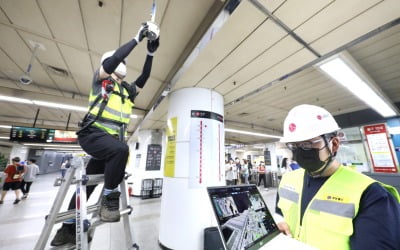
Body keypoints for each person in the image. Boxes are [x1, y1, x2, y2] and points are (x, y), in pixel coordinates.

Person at [50, 23, 160, 247]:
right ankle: (109, 202)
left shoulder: (128, 91)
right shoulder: (100, 79)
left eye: (124, 62)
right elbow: (112, 60)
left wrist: (150, 51)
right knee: (122, 150)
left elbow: (146, 75)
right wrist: (136, 39)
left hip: (109, 143)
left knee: (89, 184)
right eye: (119, 61)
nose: (122, 63)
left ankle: (66, 229)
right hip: (92, 134)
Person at [275, 104, 400, 250]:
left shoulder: (371, 194)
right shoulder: (288, 180)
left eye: (308, 144)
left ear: (334, 144)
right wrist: (280, 224)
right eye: (294, 146)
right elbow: (280, 214)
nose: (300, 152)